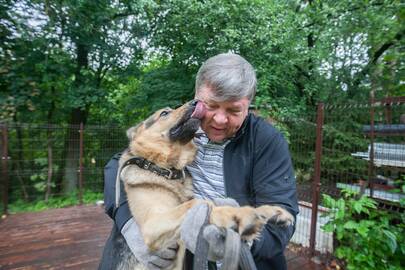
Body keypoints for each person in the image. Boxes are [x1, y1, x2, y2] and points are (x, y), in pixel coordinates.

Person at [99, 53, 299, 270]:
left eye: (233, 110)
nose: (220, 120)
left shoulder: (267, 141)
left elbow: (281, 219)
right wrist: (130, 224)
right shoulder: (181, 126)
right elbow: (119, 164)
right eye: (211, 105)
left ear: (248, 106)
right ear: (197, 95)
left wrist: (236, 246)